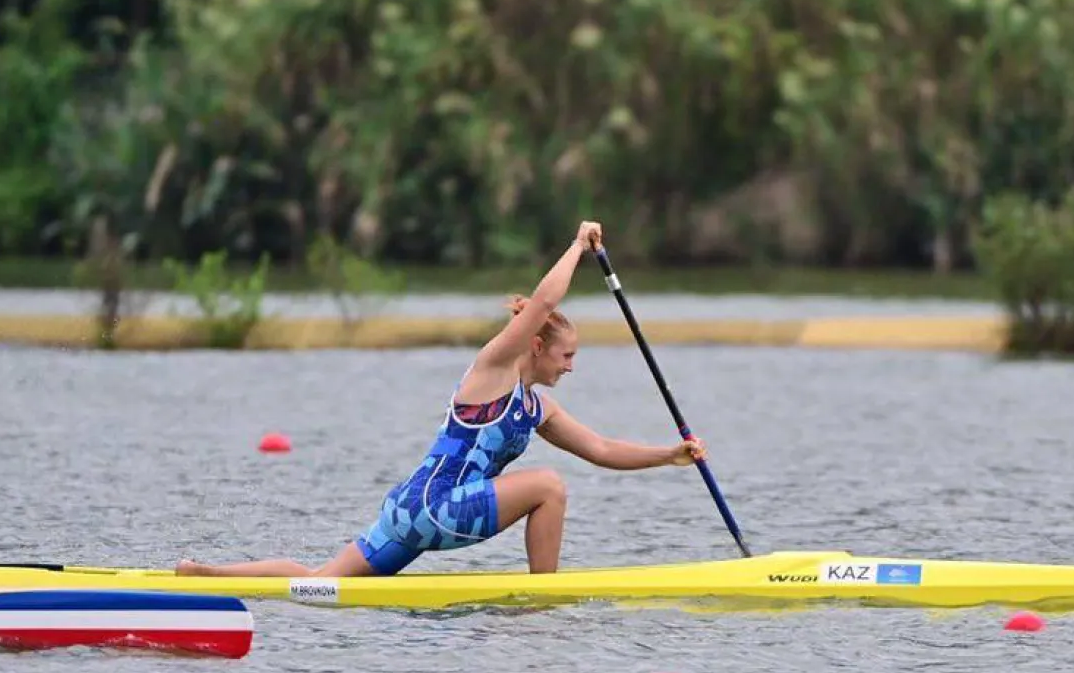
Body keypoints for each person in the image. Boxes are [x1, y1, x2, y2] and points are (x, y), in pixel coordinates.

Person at [175, 220, 706, 579]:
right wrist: (577, 245)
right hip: (437, 508)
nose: (572, 366)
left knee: (321, 583)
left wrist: (670, 455)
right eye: (566, 356)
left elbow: (602, 449)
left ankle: (207, 576)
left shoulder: (538, 409)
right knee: (549, 486)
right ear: (536, 345)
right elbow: (546, 299)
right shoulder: (493, 369)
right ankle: (548, 597)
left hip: (407, 511)